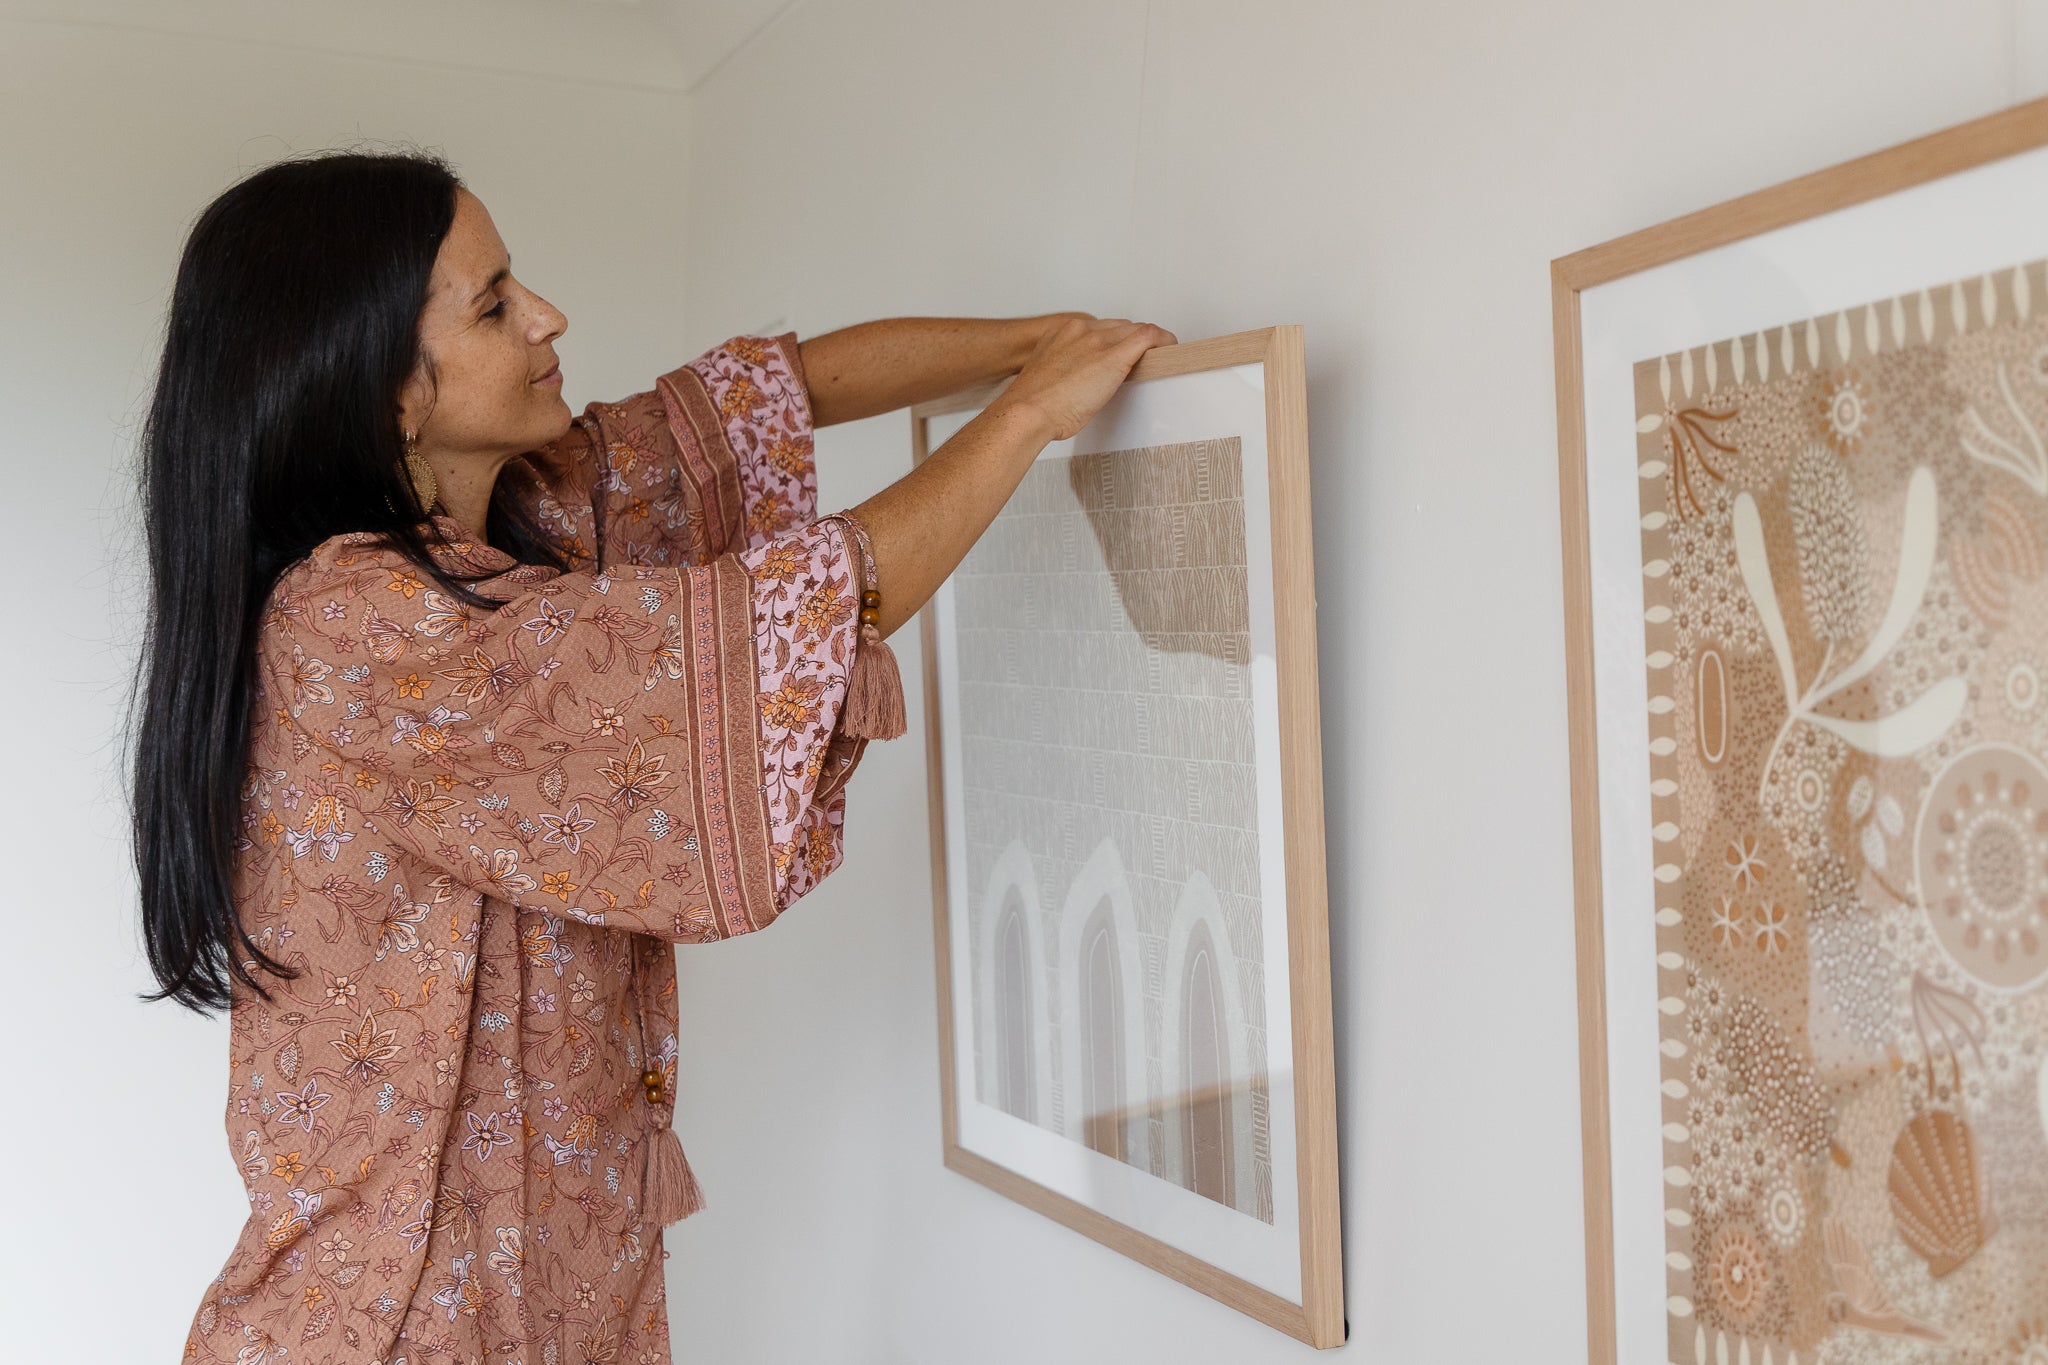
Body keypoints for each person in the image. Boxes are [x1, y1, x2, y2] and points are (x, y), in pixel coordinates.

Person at [133, 149, 1173, 1365]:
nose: (547, 316)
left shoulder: (531, 511)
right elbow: (782, 626)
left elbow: (765, 399)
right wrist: (1033, 413)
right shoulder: (357, 623)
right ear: (389, 391)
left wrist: (1046, 342)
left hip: (554, 1299)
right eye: (493, 305)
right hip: (406, 1325)